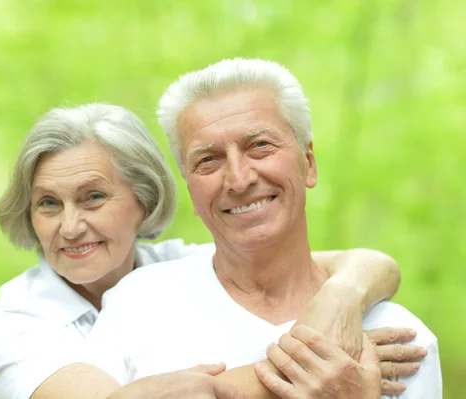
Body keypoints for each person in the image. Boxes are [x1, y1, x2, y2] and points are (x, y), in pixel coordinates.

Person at [0, 103, 424, 399]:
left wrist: (343, 294)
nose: (69, 227)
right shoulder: (13, 319)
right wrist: (328, 365)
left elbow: (368, 263)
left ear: (144, 199)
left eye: (93, 197)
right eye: (48, 204)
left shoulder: (177, 268)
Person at [67, 59, 441, 398]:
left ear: (308, 164)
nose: (239, 179)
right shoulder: (138, 303)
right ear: (192, 192)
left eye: (260, 146)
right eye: (208, 160)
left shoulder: (402, 339)